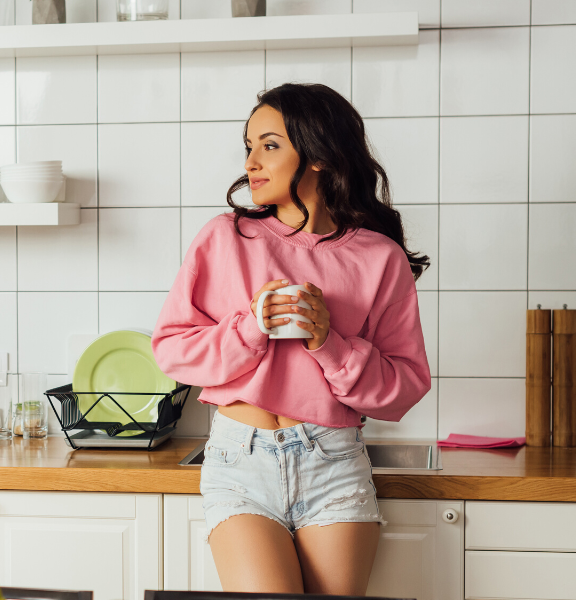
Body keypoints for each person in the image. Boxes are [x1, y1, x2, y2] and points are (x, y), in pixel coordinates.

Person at [151, 83, 432, 596]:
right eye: (249, 145)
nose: (252, 161)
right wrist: (250, 328)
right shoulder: (224, 237)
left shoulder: (379, 257)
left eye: (270, 144)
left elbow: (406, 386)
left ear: (320, 155)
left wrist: (330, 342)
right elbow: (171, 350)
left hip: (334, 463)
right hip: (240, 462)